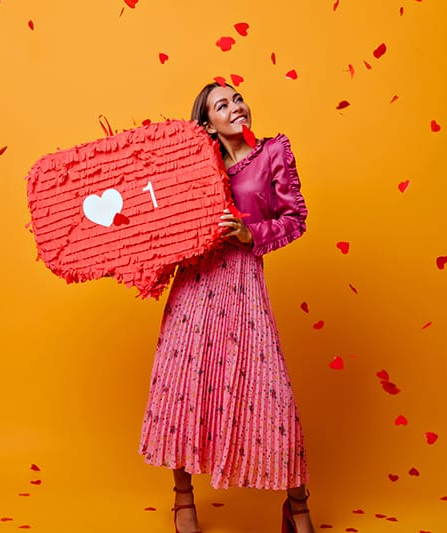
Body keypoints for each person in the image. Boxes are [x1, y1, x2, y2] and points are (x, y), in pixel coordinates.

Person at [139, 81, 315, 533]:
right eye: (223, 105)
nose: (236, 107)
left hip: (243, 285)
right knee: (181, 390)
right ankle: (183, 500)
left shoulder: (274, 153)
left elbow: (294, 219)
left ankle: (298, 508)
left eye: (238, 98)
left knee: (270, 392)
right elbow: (165, 218)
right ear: (209, 124)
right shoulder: (194, 166)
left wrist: (248, 232)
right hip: (195, 286)